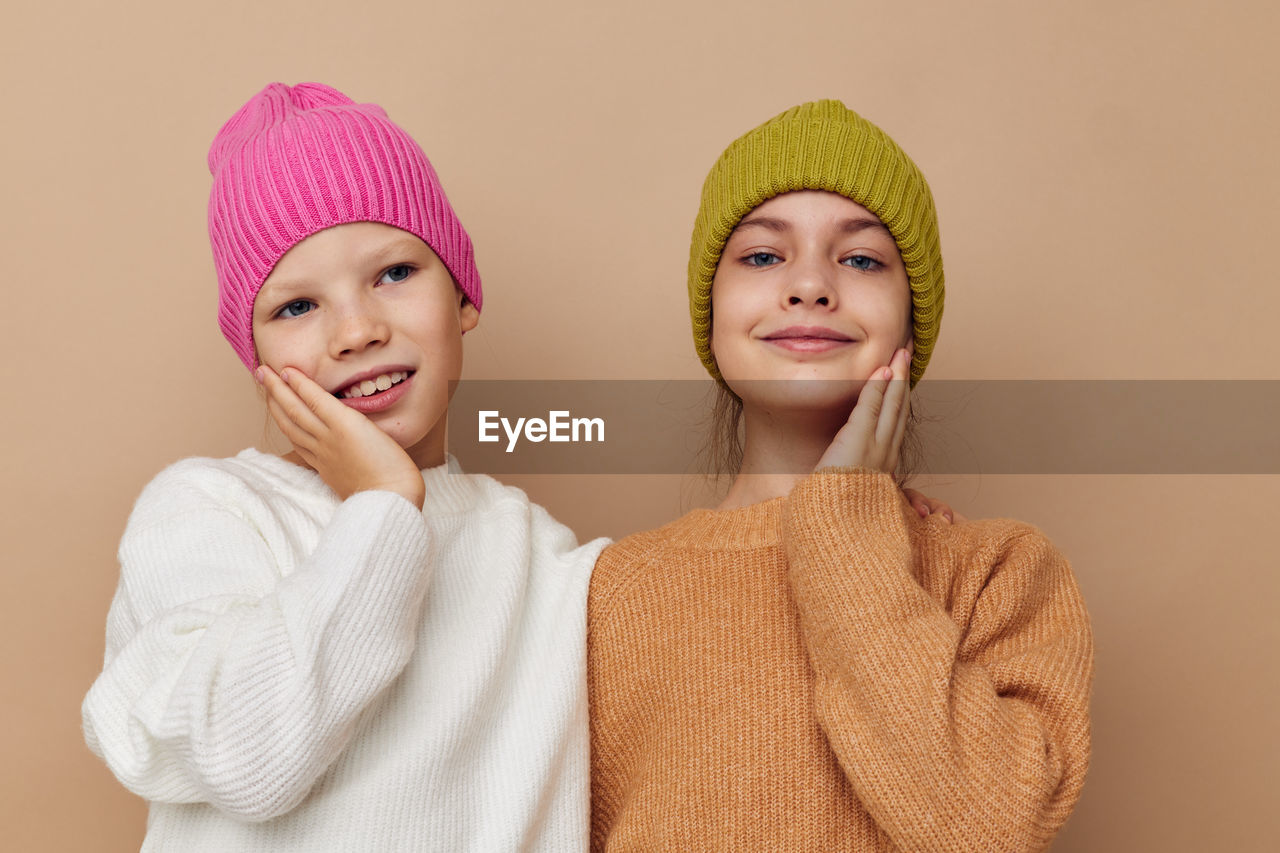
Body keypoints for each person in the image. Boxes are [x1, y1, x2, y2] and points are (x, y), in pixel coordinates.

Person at [81, 82, 608, 852]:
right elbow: (248, 755)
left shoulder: (540, 554)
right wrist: (384, 507)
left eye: (394, 272)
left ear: (463, 294)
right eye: (296, 306)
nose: (358, 330)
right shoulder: (207, 512)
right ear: (256, 360)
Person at [587, 100, 1094, 852]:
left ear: (911, 319)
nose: (811, 286)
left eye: (861, 259)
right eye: (762, 256)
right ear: (712, 307)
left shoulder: (1000, 571)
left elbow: (988, 829)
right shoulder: (608, 590)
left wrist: (843, 526)